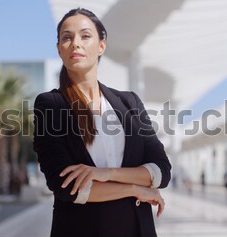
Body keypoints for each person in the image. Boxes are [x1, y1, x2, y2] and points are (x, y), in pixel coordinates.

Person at [33, 8, 171, 237]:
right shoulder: (50, 104)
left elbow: (161, 171)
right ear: (59, 49)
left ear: (101, 45)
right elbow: (67, 186)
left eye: (85, 36)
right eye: (67, 37)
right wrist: (135, 188)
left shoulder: (130, 102)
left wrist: (106, 174)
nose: (75, 43)